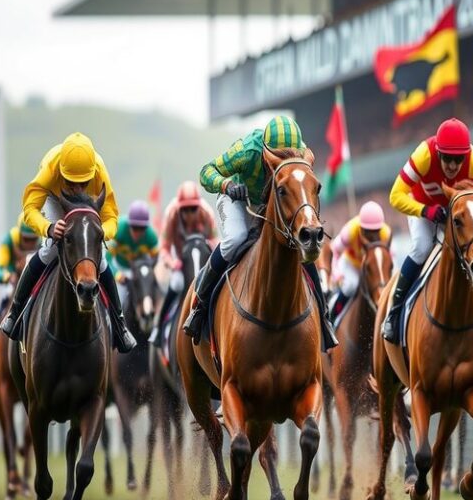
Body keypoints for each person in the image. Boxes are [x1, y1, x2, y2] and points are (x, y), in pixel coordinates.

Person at [182, 115, 338, 351]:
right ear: (265, 153)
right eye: (277, 160)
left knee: (300, 246)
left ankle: (323, 319)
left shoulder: (304, 155)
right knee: (236, 240)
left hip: (276, 203)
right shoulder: (247, 151)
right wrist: (227, 185)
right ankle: (199, 306)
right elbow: (207, 171)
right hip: (239, 199)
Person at [0, 132, 136, 352]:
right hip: (55, 202)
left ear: (91, 174)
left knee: (100, 262)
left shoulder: (99, 170)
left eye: (83, 183)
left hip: (87, 209)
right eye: (72, 182)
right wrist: (49, 228)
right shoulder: (51, 168)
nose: (78, 189)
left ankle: (120, 325)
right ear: (62, 172)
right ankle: (15, 313)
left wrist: (100, 233)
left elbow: (111, 218)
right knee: (48, 252)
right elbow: (30, 209)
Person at [381, 117, 473, 343]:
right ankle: (395, 312)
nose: (453, 166)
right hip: (422, 208)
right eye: (447, 158)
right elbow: (395, 196)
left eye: (458, 159)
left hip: (457, 214)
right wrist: (426, 211)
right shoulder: (423, 155)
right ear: (437, 152)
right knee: (422, 247)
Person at [154, 181, 217, 346]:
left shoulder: (207, 213)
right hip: (179, 258)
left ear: (199, 207)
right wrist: (172, 262)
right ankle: (158, 327)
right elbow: (164, 248)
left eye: (193, 209)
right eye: (185, 210)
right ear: (179, 209)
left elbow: (215, 241)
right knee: (176, 283)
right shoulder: (171, 214)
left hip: (203, 258)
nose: (189, 214)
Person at [329, 201, 391, 320]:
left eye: (376, 231)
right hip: (352, 264)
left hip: (371, 268)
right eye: (368, 232)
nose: (372, 236)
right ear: (361, 229)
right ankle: (333, 317)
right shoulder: (349, 231)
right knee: (351, 286)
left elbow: (389, 258)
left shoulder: (386, 233)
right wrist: (336, 273)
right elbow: (335, 251)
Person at [106, 200, 159, 308]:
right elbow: (107, 258)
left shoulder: (151, 237)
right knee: (118, 299)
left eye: (142, 228)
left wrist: (148, 273)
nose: (138, 233)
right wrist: (116, 274)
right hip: (120, 268)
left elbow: (155, 258)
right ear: (129, 225)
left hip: (138, 272)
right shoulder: (118, 230)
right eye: (134, 228)